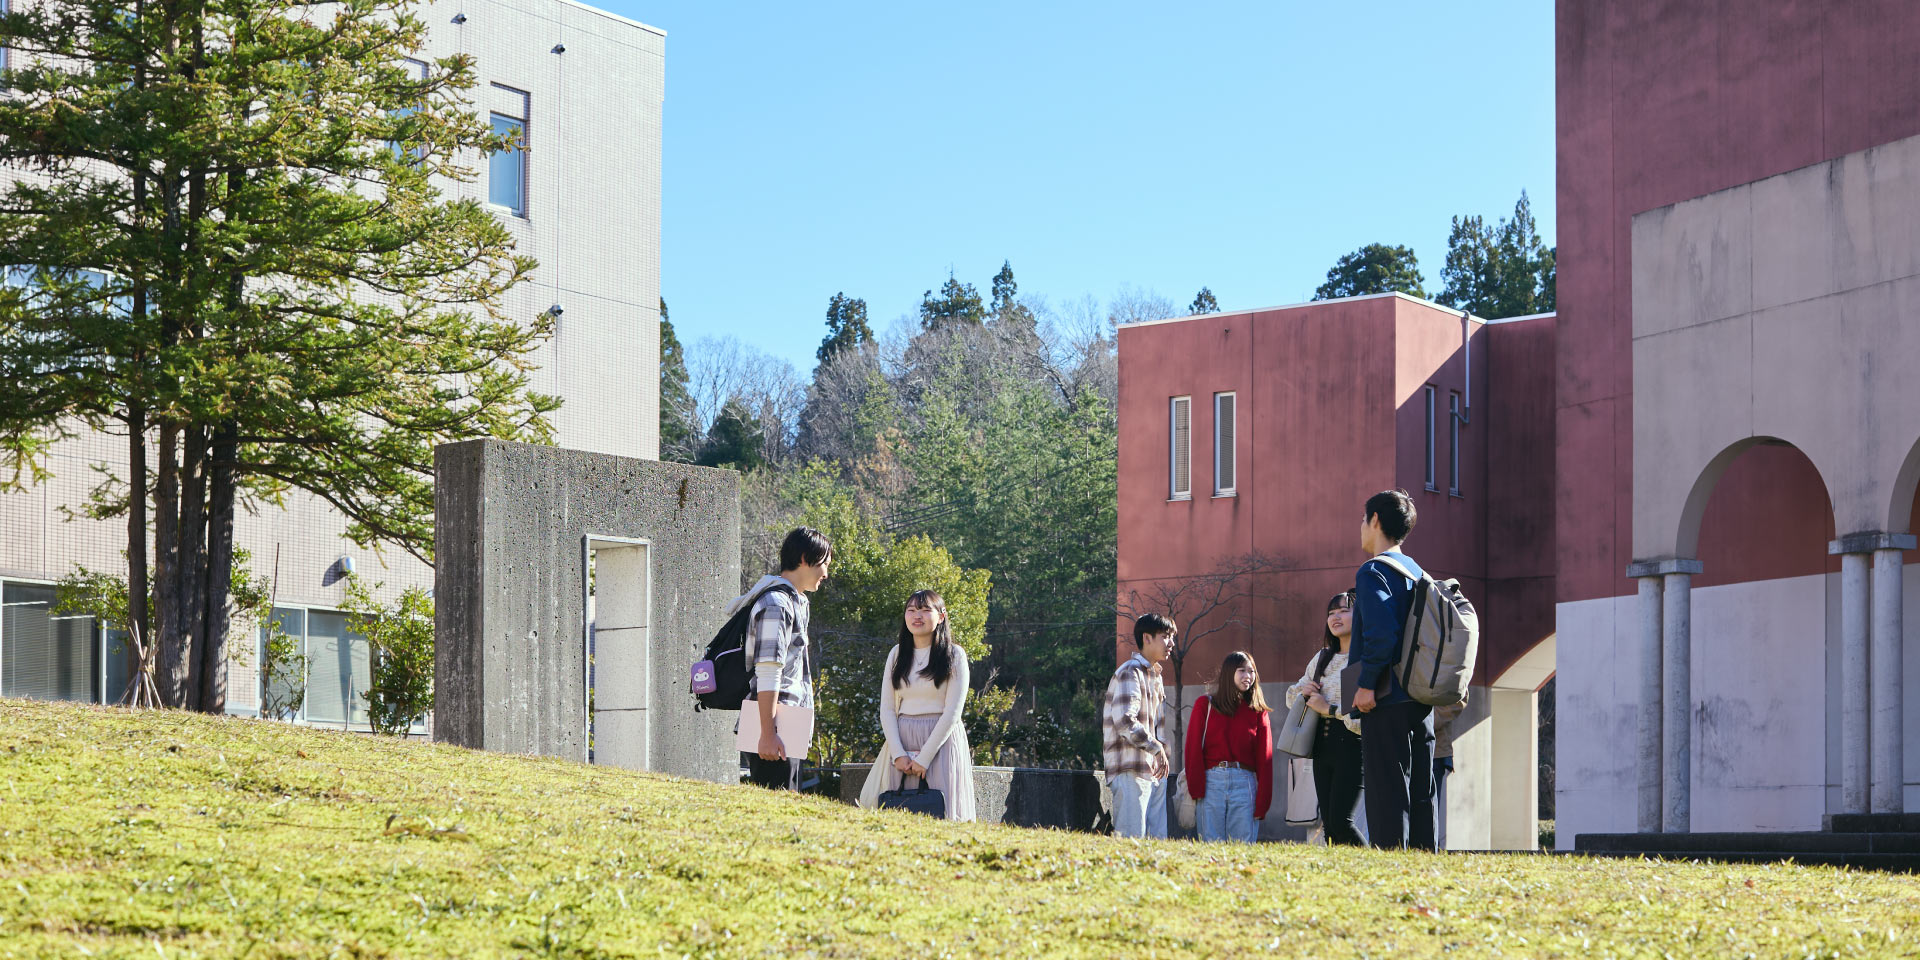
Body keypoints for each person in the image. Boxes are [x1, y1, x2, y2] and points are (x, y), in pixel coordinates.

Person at [1348, 488, 1438, 850]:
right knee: (1421, 789)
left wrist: (1366, 685)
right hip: (1421, 697)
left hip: (1386, 697)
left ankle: (1391, 858)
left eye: (1363, 519)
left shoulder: (1373, 571)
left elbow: (1381, 634)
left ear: (1375, 521)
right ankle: (1423, 859)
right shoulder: (1418, 572)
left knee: (1387, 788)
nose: (1361, 528)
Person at [857, 590, 977, 821]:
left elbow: (952, 712)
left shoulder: (954, 655)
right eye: (911, 610)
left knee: (942, 812)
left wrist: (924, 758)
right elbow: (888, 709)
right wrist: (898, 754)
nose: (917, 616)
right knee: (893, 812)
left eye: (925, 610)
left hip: (941, 741)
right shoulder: (897, 654)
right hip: (901, 740)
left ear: (941, 616)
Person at [729, 526, 832, 791]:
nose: (826, 574)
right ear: (802, 558)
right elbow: (768, 671)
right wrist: (767, 734)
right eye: (823, 564)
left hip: (787, 724)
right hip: (775, 727)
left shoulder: (796, 601)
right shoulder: (776, 604)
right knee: (772, 813)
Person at [1286, 590, 1367, 846]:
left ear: (1360, 615)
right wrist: (1304, 691)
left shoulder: (1364, 659)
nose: (1336, 617)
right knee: (1330, 825)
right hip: (1321, 747)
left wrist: (1329, 709)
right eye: (1331, 613)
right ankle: (1340, 881)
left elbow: (1363, 716)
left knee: (1343, 822)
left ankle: (1375, 869)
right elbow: (1292, 697)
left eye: (1343, 610)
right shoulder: (1322, 657)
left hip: (1353, 746)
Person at [1184, 650, 1274, 842]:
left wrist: (1263, 802)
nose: (1248, 676)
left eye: (1252, 671)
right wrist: (1197, 789)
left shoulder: (1258, 711)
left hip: (1245, 783)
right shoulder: (1205, 704)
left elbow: (1265, 759)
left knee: (1241, 848)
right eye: (1242, 670)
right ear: (1228, 672)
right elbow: (1193, 749)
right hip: (1211, 783)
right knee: (1210, 845)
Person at [1105, 613, 1175, 838]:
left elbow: (1158, 726)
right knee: (1131, 845)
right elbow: (1125, 721)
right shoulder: (1130, 671)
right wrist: (1157, 748)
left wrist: (1162, 749)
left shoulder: (1155, 676)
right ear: (1147, 638)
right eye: (1165, 637)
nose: (1171, 643)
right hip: (1130, 770)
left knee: (1156, 848)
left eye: (1171, 637)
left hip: (1153, 771)